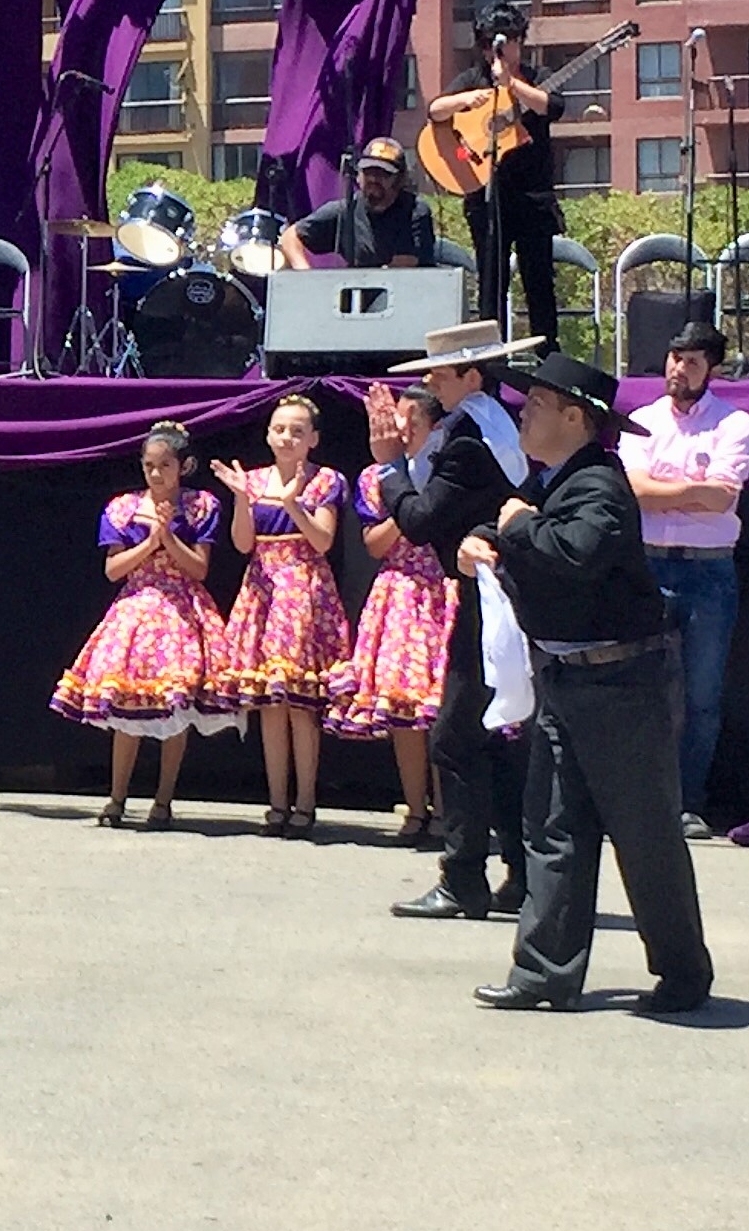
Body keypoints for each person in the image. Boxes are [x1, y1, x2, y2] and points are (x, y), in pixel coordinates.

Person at [462, 349, 716, 1016]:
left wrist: (514, 529)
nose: (525, 414)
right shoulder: (556, 482)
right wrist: (487, 539)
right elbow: (522, 529)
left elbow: (573, 553)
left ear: (575, 418)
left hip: (621, 682)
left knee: (644, 831)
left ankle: (684, 973)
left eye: (538, 405)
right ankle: (544, 972)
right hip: (567, 679)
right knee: (552, 826)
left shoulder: (600, 483)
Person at [381, 321, 542, 923]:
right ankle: (520, 873)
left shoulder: (470, 437)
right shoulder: (494, 426)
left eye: (440, 374)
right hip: (500, 589)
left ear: (472, 377)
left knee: (455, 734)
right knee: (499, 735)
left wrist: (389, 468)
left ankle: (463, 877)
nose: (430, 384)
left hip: (492, 593)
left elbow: (421, 521)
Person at [50, 419, 230, 829]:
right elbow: (113, 569)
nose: (155, 474)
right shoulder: (123, 507)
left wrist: (168, 538)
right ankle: (117, 797)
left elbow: (200, 568)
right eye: (149, 465)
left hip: (182, 608)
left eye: (164, 465)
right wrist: (149, 542)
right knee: (127, 705)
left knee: (174, 701)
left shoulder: (202, 505)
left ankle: (163, 799)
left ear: (183, 466)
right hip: (137, 606)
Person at [620, 315, 749, 840]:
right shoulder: (642, 419)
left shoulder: (733, 423)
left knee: (701, 694)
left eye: (693, 361)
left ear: (711, 370)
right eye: (676, 359)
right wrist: (691, 490)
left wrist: (664, 488)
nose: (679, 369)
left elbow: (723, 496)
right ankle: (638, 800)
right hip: (649, 563)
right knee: (642, 689)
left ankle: (687, 801)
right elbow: (631, 490)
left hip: (708, 570)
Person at [207, 393, 350, 834]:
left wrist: (292, 504)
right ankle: (276, 801)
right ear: (268, 434)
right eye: (279, 428)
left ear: (313, 439)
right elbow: (244, 544)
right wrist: (241, 501)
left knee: (300, 702)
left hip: (303, 588)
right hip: (263, 588)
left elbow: (323, 541)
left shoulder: (325, 479)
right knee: (269, 701)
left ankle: (306, 800)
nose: (287, 437)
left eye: (297, 430)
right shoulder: (250, 480)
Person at [329, 384, 455, 844]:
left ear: (433, 427)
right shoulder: (375, 477)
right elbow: (375, 544)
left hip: (443, 589)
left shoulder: (448, 469)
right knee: (403, 704)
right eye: (395, 422)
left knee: (441, 704)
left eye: (411, 423)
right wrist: (403, 496)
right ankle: (415, 805)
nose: (400, 430)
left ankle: (448, 809)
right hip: (399, 592)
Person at [430, 3, 560, 343]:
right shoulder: (472, 79)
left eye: (504, 44)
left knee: (539, 282)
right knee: (491, 282)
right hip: (487, 199)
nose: (496, 52)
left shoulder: (537, 76)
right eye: (488, 45)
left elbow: (552, 106)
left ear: (519, 41)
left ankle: (546, 360)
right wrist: (467, 100)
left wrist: (513, 86)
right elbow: (435, 111)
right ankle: (488, 367)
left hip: (533, 198)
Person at [276, 138, 435, 271]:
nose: (373, 179)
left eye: (382, 174)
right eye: (368, 172)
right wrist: (305, 274)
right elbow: (290, 236)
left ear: (399, 179)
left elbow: (404, 265)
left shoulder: (414, 210)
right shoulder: (345, 210)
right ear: (358, 176)